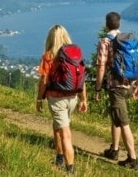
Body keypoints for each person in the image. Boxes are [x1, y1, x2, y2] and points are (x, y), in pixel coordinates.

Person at [94, 11, 138, 170]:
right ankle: (114, 150)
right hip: (130, 84)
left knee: (123, 122)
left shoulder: (105, 42)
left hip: (116, 87)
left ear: (106, 24)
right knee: (116, 116)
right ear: (119, 23)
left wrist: (98, 88)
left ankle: (132, 159)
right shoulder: (128, 40)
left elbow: (101, 67)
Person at [36, 24, 88, 175]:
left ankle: (70, 169)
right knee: (58, 125)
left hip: (57, 98)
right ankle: (59, 157)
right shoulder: (74, 55)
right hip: (72, 97)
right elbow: (82, 78)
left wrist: (39, 99)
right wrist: (84, 99)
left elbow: (44, 81)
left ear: (50, 38)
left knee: (65, 132)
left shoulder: (49, 56)